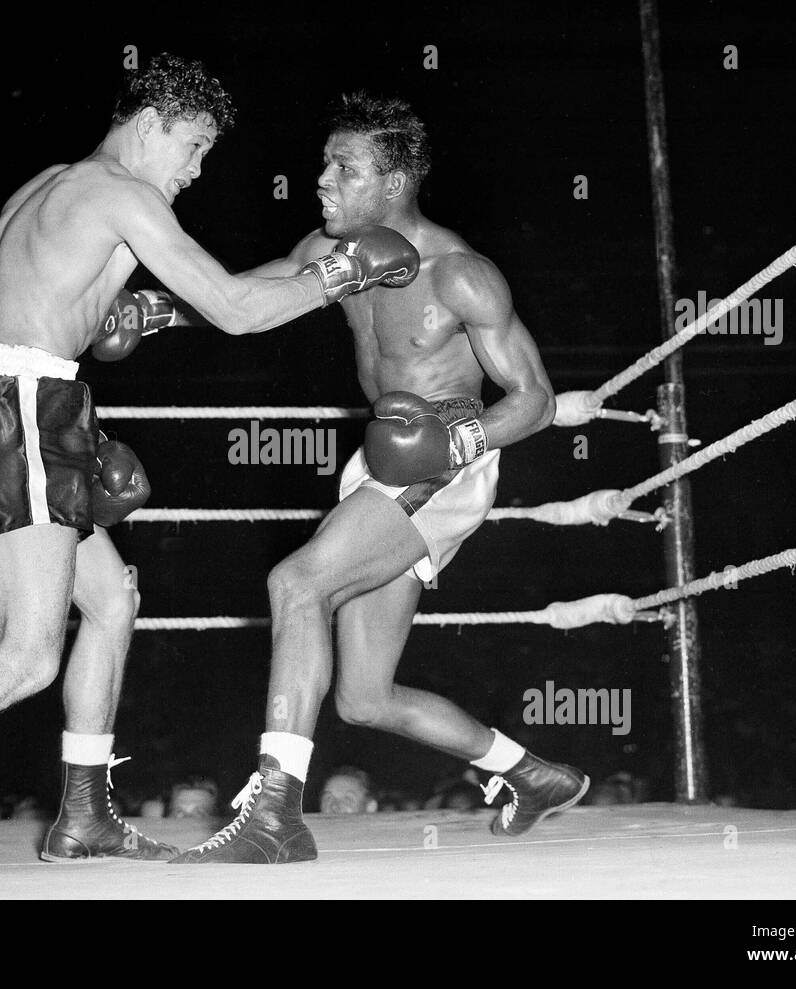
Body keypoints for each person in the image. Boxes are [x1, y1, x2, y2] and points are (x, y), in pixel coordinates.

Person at [0, 57, 418, 880]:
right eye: (195, 146)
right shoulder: (119, 193)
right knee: (25, 652)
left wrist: (134, 320)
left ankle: (85, 813)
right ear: (152, 123)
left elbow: (70, 305)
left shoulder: (54, 186)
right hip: (19, 408)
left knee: (110, 599)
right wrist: (343, 271)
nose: (197, 171)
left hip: (25, 402)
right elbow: (240, 312)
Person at [171, 93, 587, 864]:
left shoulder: (460, 275)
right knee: (364, 697)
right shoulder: (336, 257)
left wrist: (451, 442)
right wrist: (154, 312)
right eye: (326, 161)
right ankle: (530, 774)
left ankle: (274, 813)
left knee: (297, 582)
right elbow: (243, 300)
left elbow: (535, 401)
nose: (321, 178)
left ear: (393, 185)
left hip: (448, 462)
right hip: (381, 465)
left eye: (344, 167)